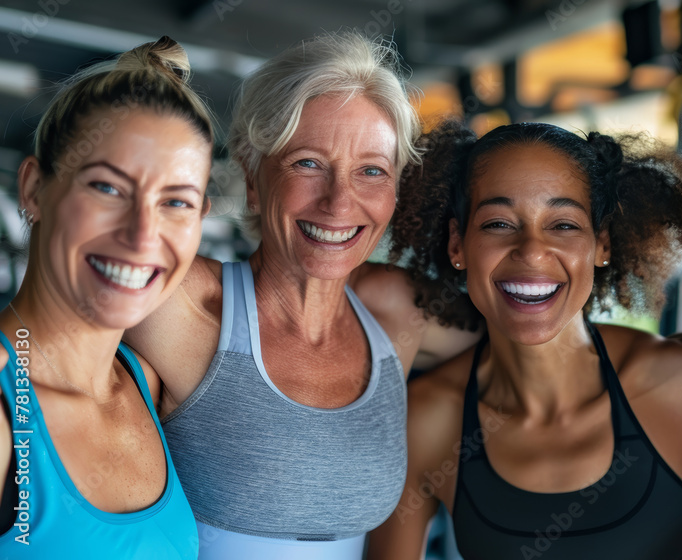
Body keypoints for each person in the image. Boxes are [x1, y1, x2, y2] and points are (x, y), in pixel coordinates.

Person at [123, 31, 478, 559]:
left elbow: (535, 336)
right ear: (250, 175)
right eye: (307, 163)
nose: (339, 203)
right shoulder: (184, 302)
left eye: (372, 171)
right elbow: (64, 274)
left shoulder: (393, 308)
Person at [367, 121, 682, 560]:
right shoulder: (426, 420)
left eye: (563, 224)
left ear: (601, 243)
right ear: (458, 245)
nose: (532, 251)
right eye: (498, 223)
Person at [0, 37, 214, 557]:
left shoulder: (149, 382)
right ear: (34, 190)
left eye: (176, 202)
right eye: (108, 188)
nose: (143, 235)